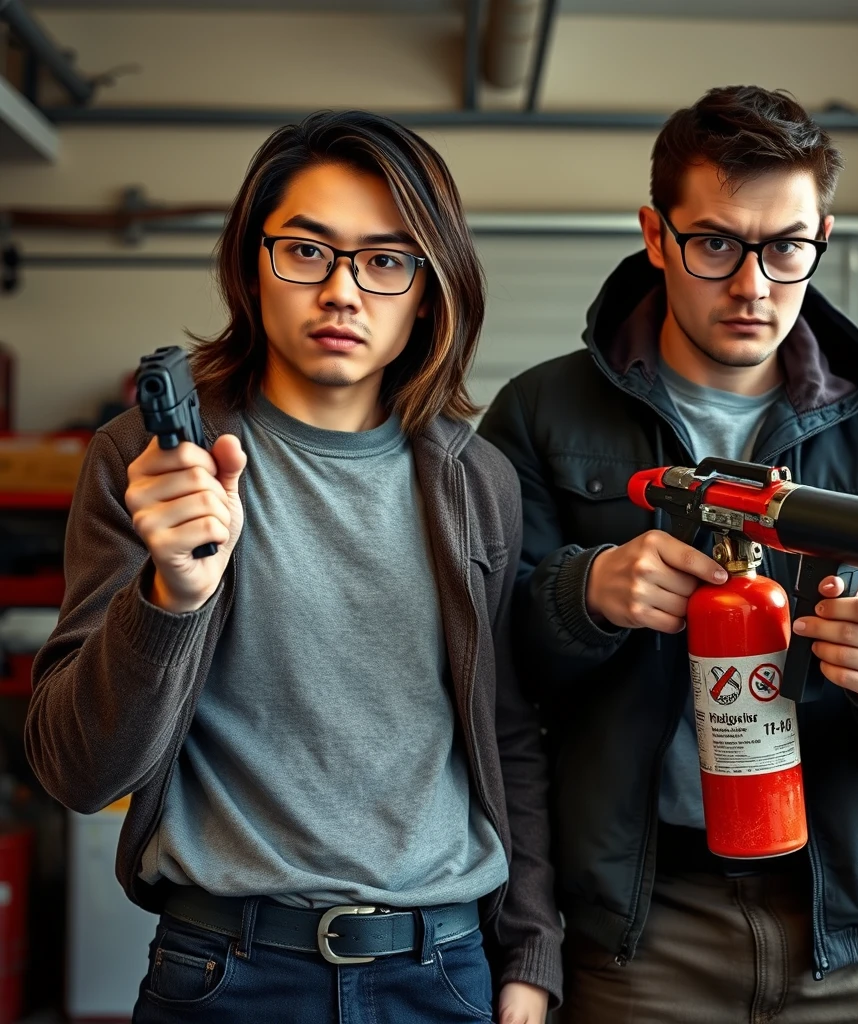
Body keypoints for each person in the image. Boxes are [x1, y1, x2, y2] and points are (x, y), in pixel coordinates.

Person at [477, 85, 858, 1023]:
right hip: (640, 939)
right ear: (656, 234)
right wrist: (584, 597)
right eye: (717, 243)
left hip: (844, 944)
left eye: (787, 247)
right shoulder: (540, 417)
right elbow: (482, 675)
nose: (754, 285)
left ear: (823, 236)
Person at [27, 110, 560, 1024]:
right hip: (224, 973)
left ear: (430, 291)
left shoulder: (479, 483)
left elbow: (506, 739)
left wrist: (530, 954)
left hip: (443, 973)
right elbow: (76, 770)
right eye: (307, 252)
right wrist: (170, 595)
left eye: (386, 260)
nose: (343, 292)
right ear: (251, 265)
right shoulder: (150, 461)